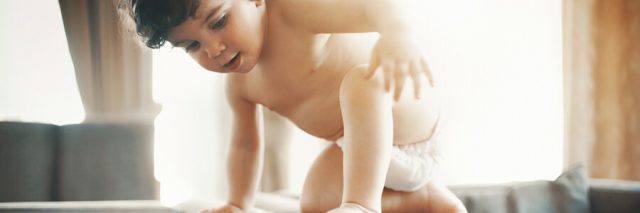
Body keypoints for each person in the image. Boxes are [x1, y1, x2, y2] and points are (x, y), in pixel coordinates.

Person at [118, 0, 467, 212]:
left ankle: (363, 205)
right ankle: (426, 201)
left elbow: (369, 7)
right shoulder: (239, 86)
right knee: (313, 202)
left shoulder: (294, 13)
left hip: (406, 105)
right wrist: (239, 203)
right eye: (192, 45)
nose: (214, 49)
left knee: (359, 83)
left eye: (219, 22)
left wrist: (398, 34)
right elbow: (244, 147)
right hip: (365, 150)